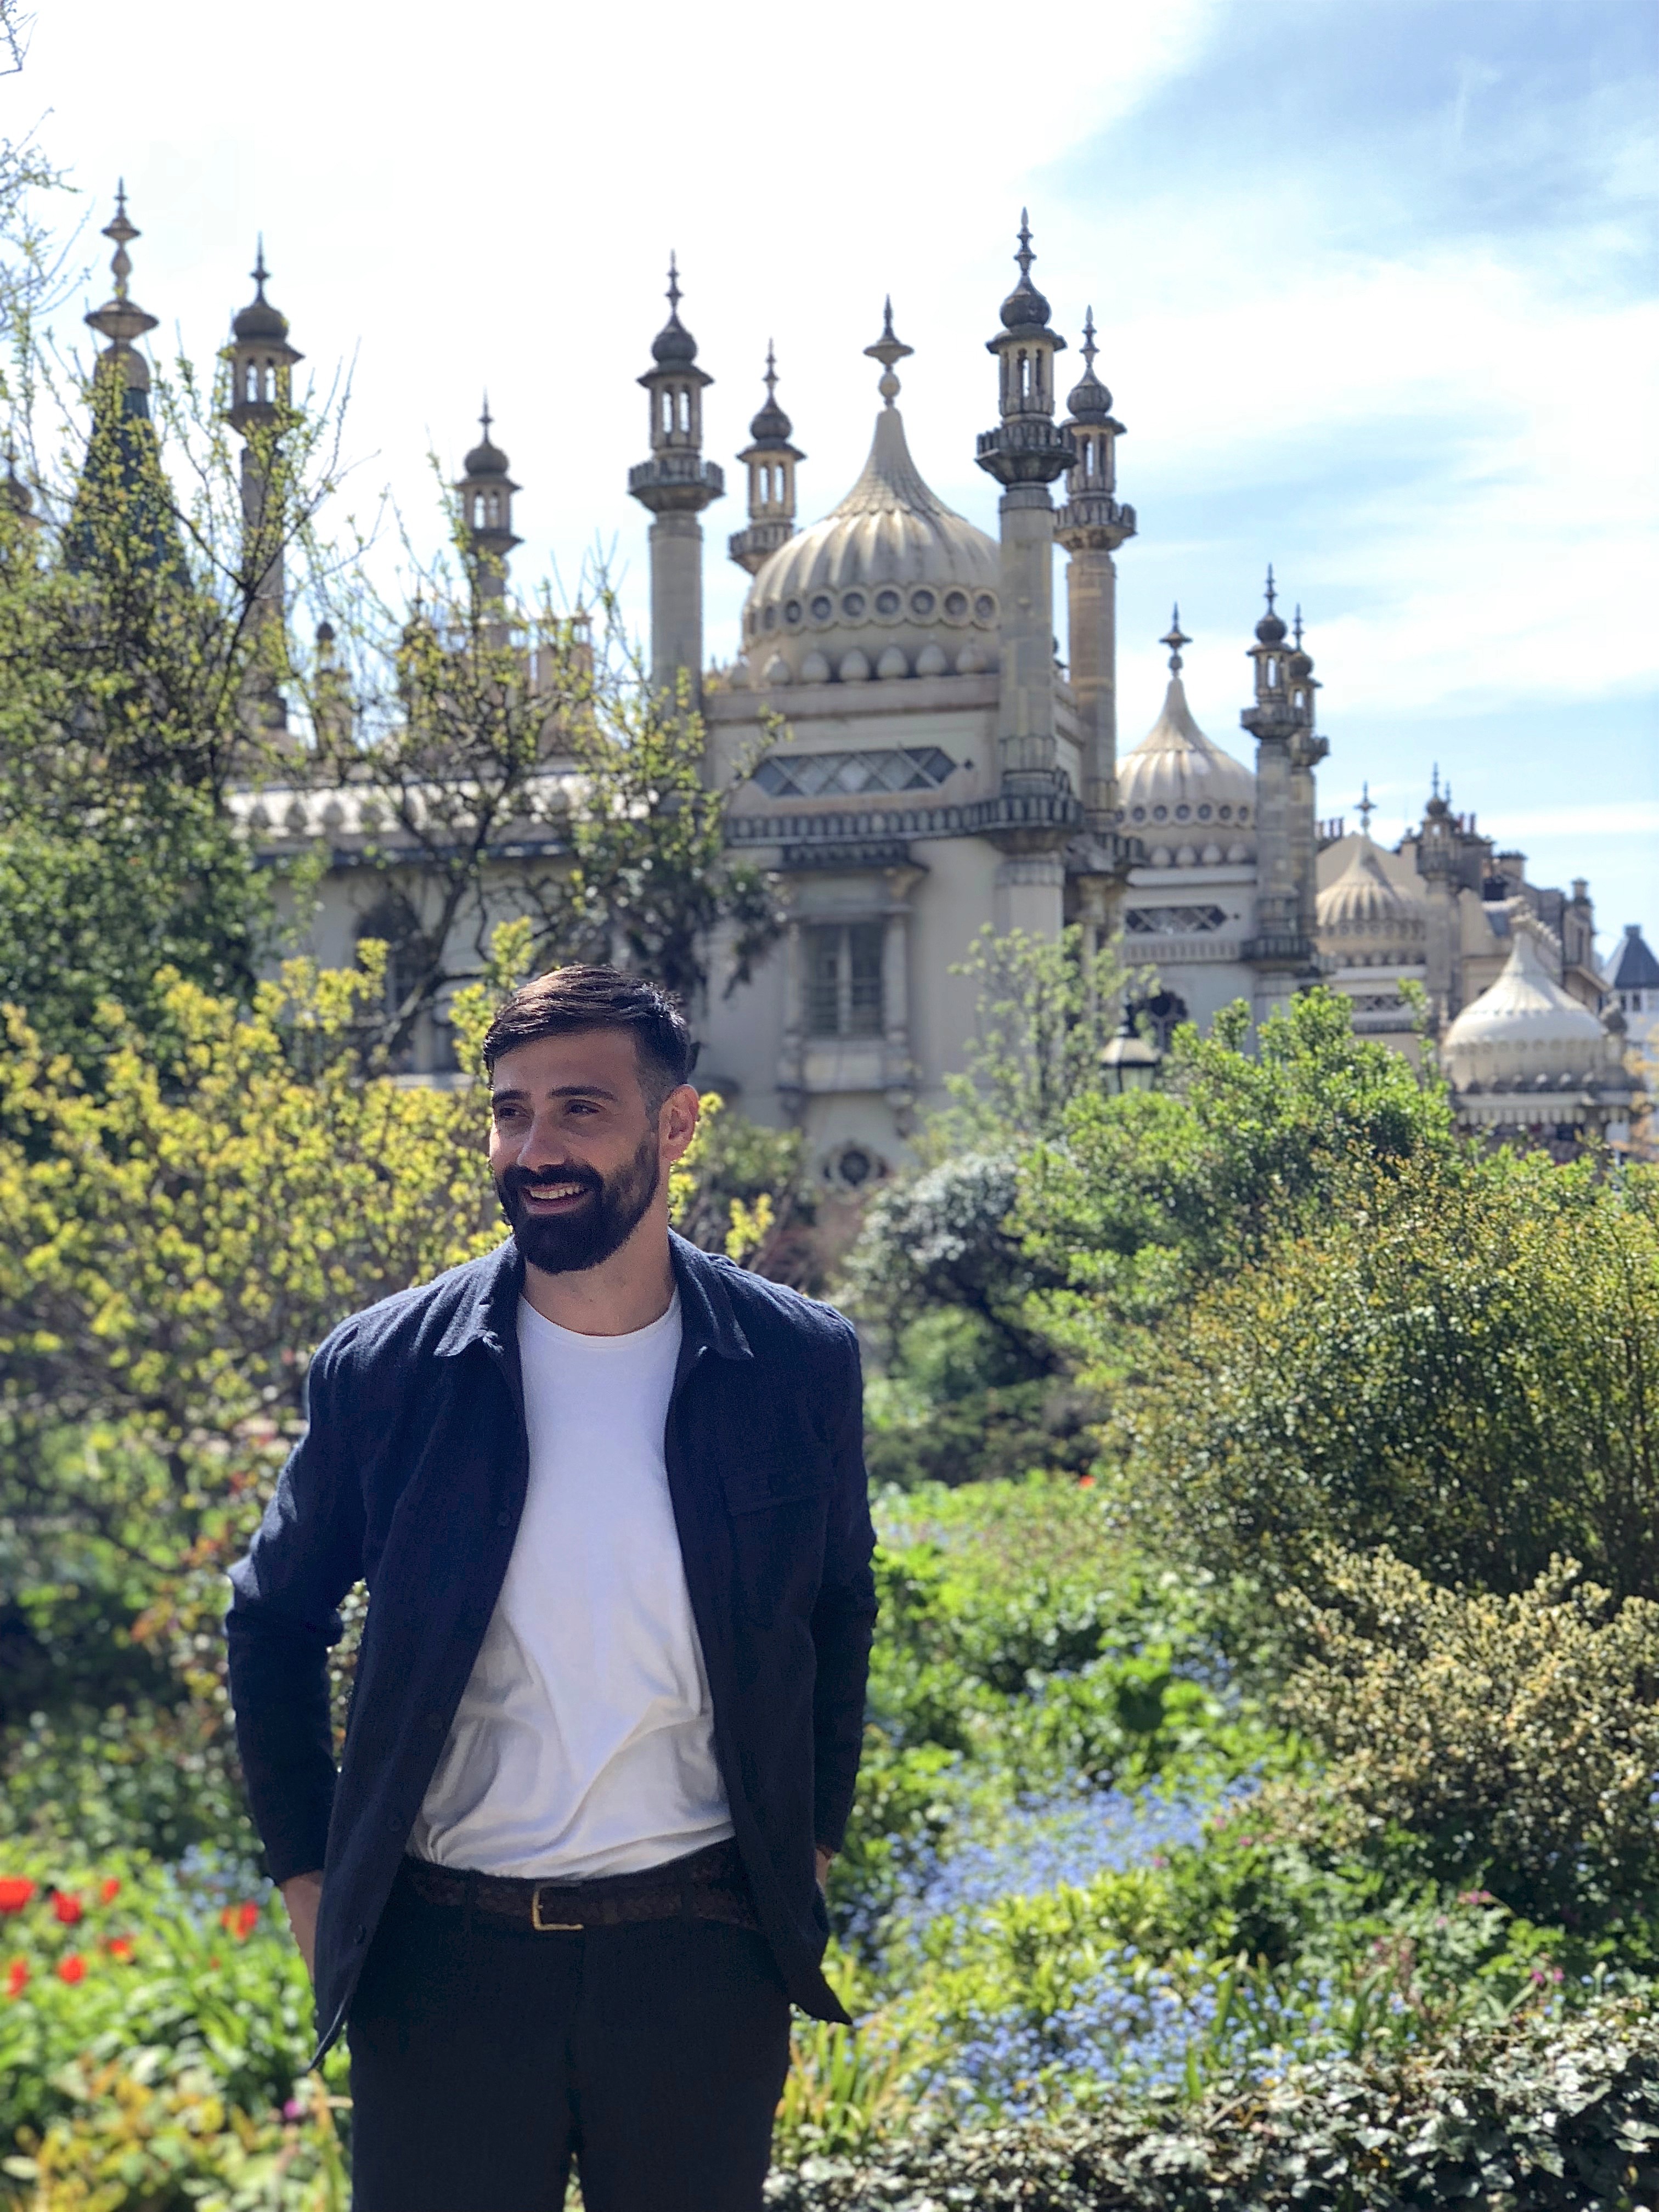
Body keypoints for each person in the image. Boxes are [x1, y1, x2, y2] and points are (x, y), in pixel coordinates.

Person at [226, 964, 877, 2212]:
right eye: (510, 1110)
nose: (536, 1148)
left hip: (702, 1958)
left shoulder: (794, 1363)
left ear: (674, 1124)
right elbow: (271, 1620)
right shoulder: (386, 1371)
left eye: (580, 1108)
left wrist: (814, 1845)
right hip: (443, 1970)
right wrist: (311, 1883)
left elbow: (840, 1605)